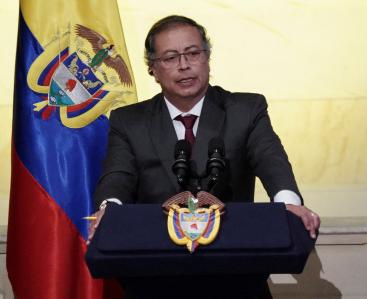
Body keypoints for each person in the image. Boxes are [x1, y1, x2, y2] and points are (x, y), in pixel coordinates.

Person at [88, 15, 320, 299]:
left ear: (208, 58)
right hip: (155, 277)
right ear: (153, 69)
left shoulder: (245, 109)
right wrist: (109, 210)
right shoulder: (129, 121)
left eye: (193, 53)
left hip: (235, 274)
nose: (184, 65)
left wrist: (288, 204)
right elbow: (117, 175)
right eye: (170, 57)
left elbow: (271, 158)